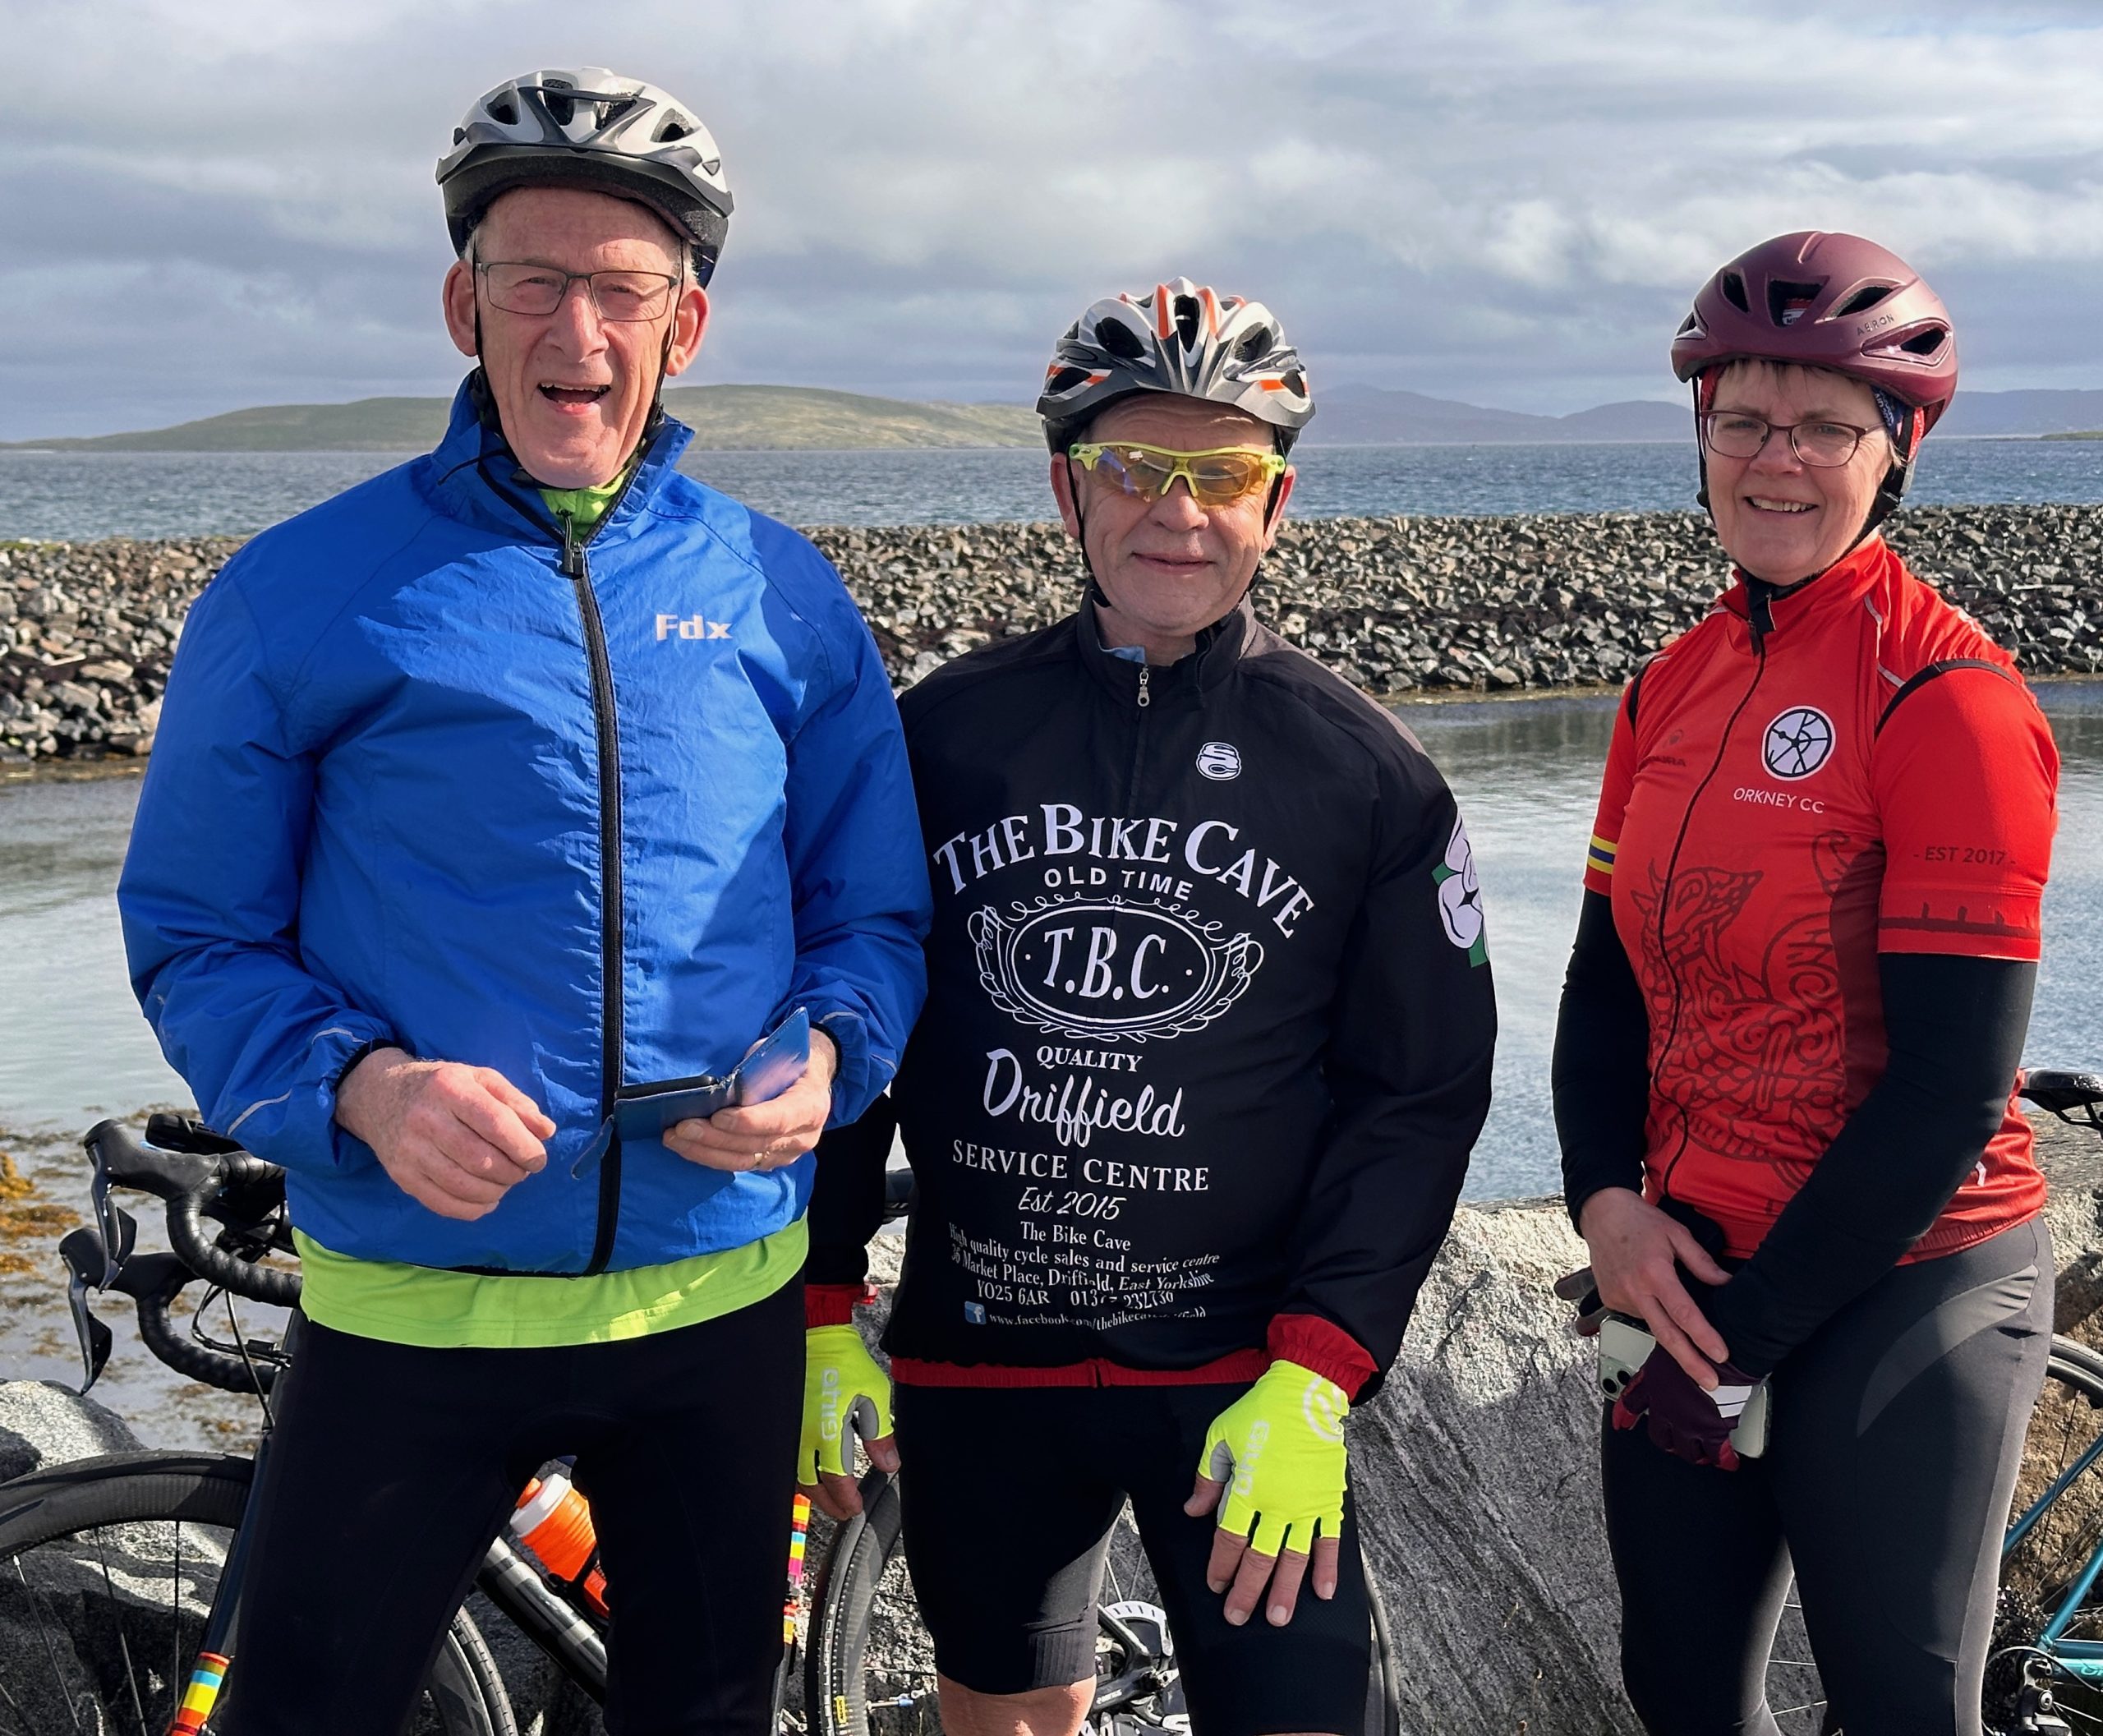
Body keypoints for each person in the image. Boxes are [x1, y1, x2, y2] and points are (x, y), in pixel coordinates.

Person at [117, 67, 929, 1735]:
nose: (578, 327)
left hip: (717, 1312)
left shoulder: (781, 592)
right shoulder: (297, 593)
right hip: (409, 1310)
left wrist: (836, 1058)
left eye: (622, 288)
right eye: (532, 279)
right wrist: (362, 1086)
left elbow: (874, 919)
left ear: (682, 324)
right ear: (459, 305)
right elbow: (194, 936)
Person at [801, 279, 1497, 1736]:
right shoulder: (942, 736)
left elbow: (1420, 1095)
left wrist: (1322, 1367)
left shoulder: (1366, 771)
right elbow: (850, 1016)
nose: (1177, 511)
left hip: (1241, 1387)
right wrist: (818, 1291)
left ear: (1277, 498)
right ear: (1067, 486)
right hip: (983, 1367)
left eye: (1222, 473)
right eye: (1135, 466)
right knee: (998, 1717)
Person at [1553, 231, 2058, 1736]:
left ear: (1897, 449)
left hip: (1910, 1271)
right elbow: (1604, 985)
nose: (1779, 460)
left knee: (1901, 1710)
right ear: (1700, 433)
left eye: (1827, 426)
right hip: (1696, 1254)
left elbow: (1952, 1090)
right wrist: (1605, 1202)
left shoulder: (1948, 699)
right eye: (1745, 420)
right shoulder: (1669, 685)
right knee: (1681, 1691)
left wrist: (1745, 1333)